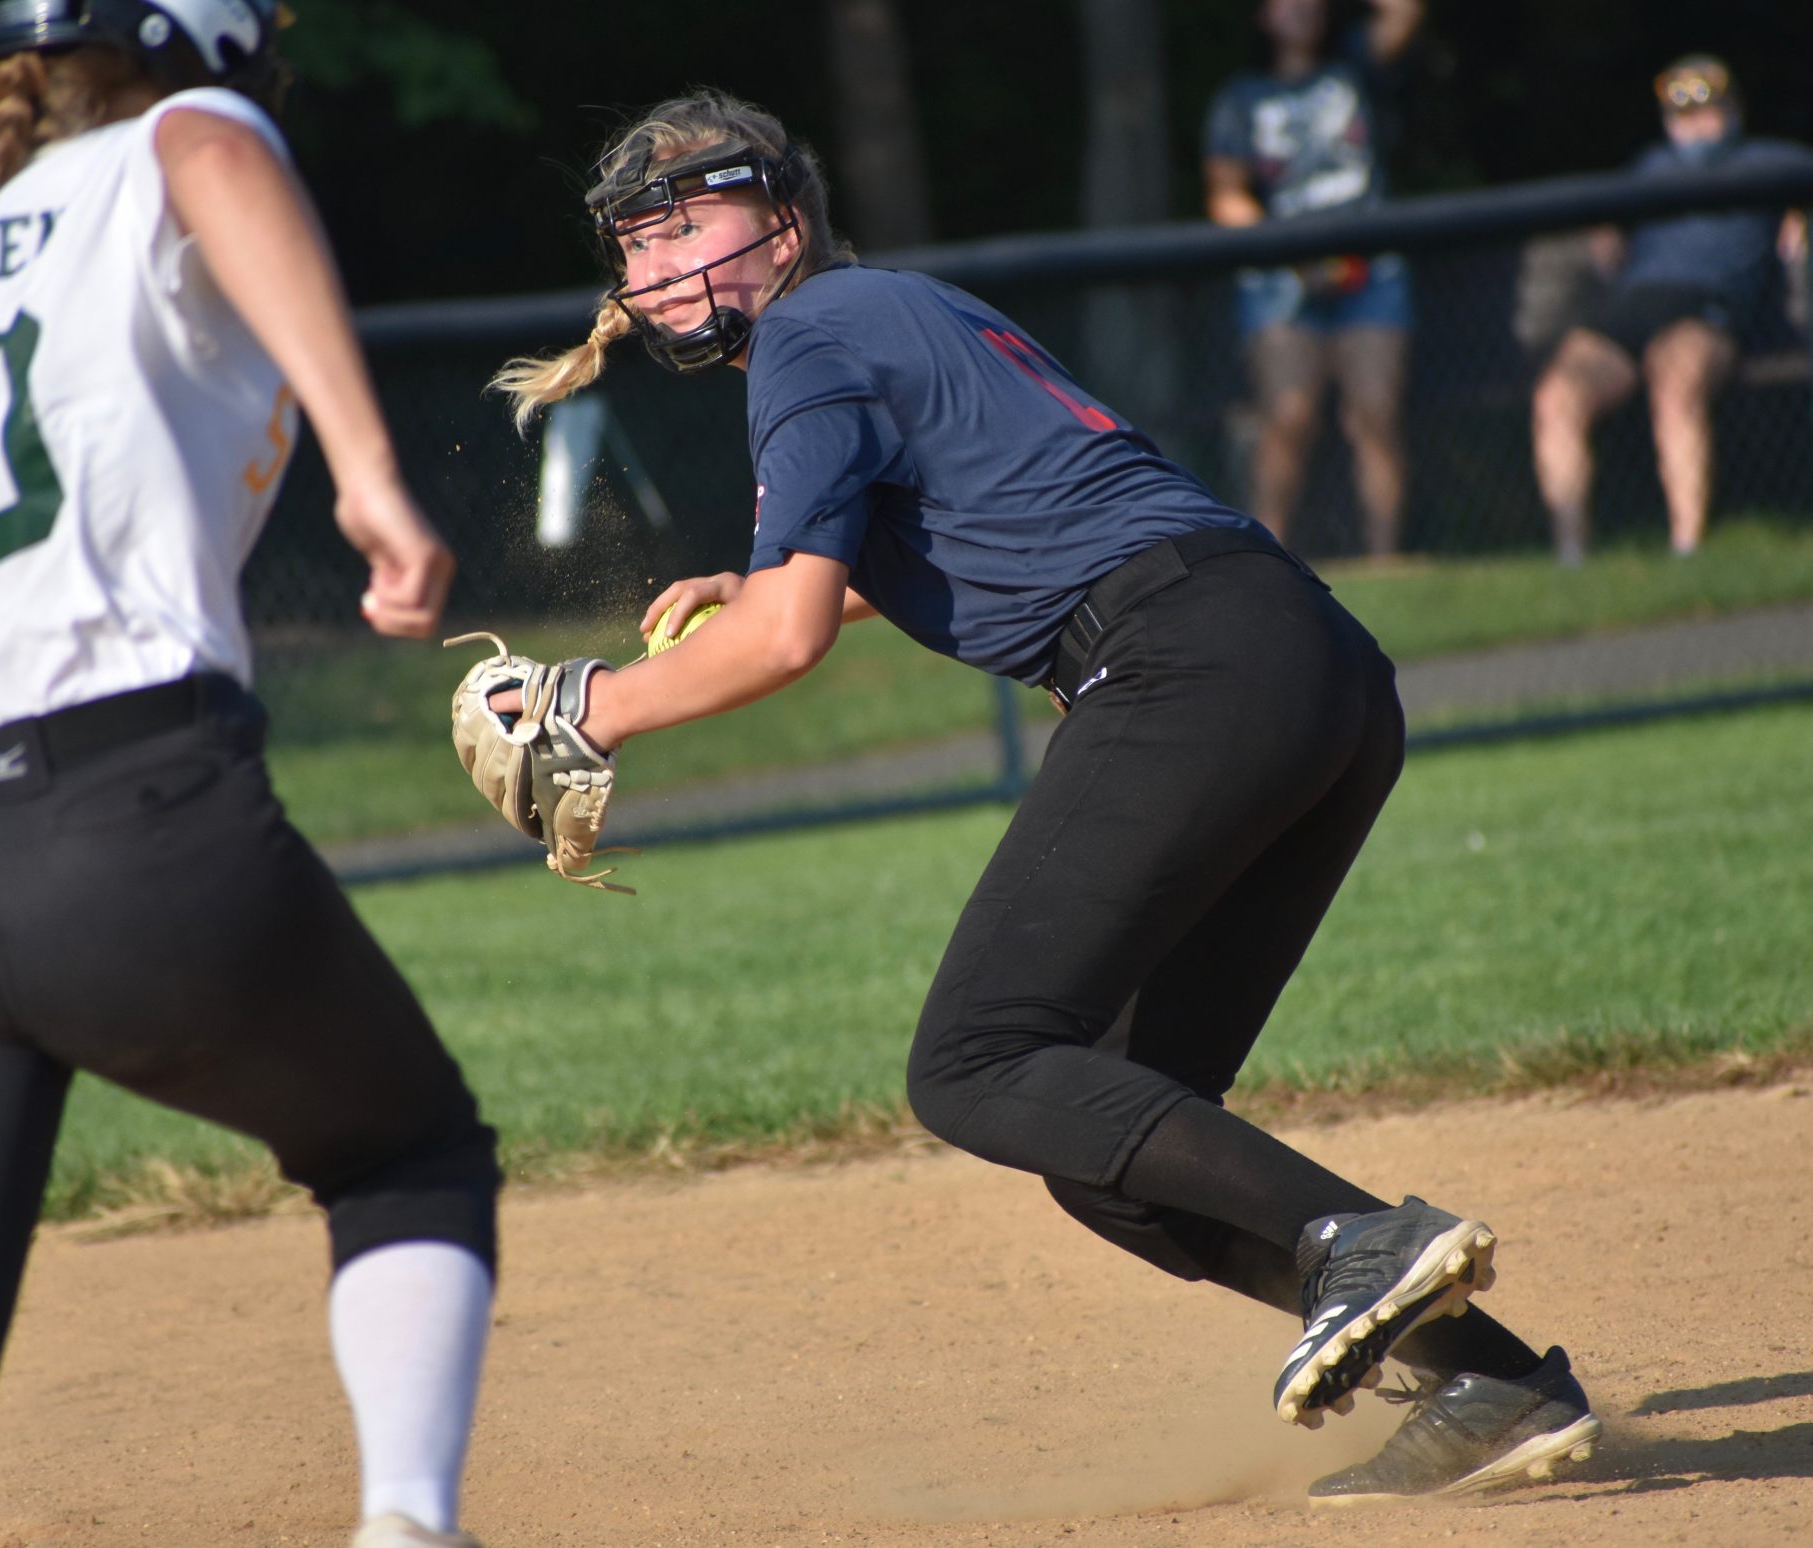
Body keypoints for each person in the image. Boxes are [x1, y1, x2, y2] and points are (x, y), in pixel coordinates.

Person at [486, 89, 1601, 1503]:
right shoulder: (902, 306)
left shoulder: (811, 335)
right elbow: (1016, 514)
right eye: (636, 246)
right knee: (1116, 1146)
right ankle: (1493, 1380)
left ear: (781, 222)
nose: (655, 272)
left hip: (1186, 667)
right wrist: (765, 581)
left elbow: (787, 639)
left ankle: (1363, 1244)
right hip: (1305, 666)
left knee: (976, 1060)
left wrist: (582, 704)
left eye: (685, 226)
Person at [0, 6, 497, 1548]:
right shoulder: (187, 135)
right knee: (405, 1150)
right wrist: (371, 474)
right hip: (123, 815)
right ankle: (411, 1528)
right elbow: (214, 158)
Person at [1531, 54, 1810, 564]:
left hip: (1708, 304)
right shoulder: (1649, 167)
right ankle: (1570, 559)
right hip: (1632, 303)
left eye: (1708, 110)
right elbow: (1606, 229)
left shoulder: (1774, 163)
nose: (1696, 126)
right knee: (1556, 396)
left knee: (1674, 382)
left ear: (1734, 111)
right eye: (1682, 116)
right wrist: (1605, 233)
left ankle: (1687, 548)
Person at [1203, 0, 1423, 559]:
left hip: (1370, 267)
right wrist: (1285, 249)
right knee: (1287, 418)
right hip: (1282, 279)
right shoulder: (1240, 97)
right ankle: (1263, 561)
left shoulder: (1352, 68)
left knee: (1374, 412)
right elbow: (1226, 196)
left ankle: (1385, 559)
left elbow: (1403, 14)